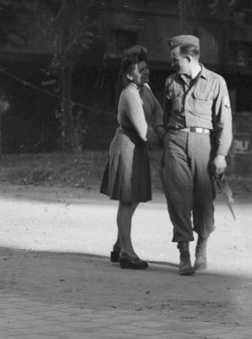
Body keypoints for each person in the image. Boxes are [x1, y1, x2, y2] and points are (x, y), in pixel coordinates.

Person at [162, 34, 233, 275]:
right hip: (176, 141)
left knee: (204, 200)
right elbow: (165, 117)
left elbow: (225, 122)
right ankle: (183, 252)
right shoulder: (171, 82)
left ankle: (201, 248)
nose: (173, 64)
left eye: (176, 59)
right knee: (178, 197)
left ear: (190, 57)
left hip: (204, 143)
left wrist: (221, 154)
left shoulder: (216, 82)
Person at [100, 45, 165, 269]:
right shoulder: (129, 94)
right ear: (129, 74)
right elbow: (143, 130)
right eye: (141, 69)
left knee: (133, 198)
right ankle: (127, 253)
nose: (146, 72)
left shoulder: (144, 88)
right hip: (127, 146)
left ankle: (119, 245)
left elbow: (158, 110)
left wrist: (158, 124)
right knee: (127, 200)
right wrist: (167, 140)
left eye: (147, 68)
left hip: (137, 149)